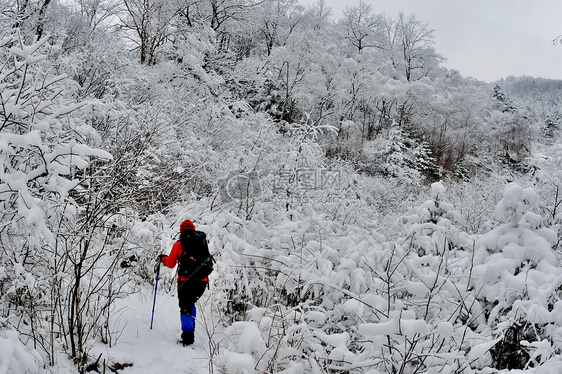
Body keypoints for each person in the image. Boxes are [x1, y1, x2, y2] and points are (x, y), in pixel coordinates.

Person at [157, 219, 210, 346]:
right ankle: (191, 329)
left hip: (185, 281)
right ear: (193, 229)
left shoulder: (179, 244)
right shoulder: (202, 242)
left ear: (181, 231)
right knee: (191, 304)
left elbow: (170, 264)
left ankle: (187, 338)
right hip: (202, 281)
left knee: (185, 308)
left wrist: (162, 258)